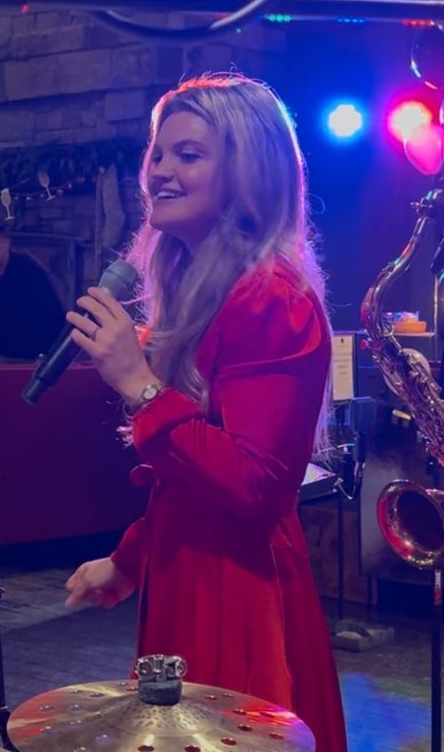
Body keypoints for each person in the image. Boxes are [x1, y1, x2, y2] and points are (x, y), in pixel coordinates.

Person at [62, 75, 346, 751]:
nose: (159, 171)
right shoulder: (203, 288)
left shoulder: (272, 298)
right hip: (191, 570)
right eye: (158, 154)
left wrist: (141, 387)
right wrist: (131, 559)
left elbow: (253, 484)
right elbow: (192, 480)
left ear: (248, 171)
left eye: (188, 155)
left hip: (239, 591)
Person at [0, 222, 63, 363]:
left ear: (7, 244)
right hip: (1, 354)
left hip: (35, 356)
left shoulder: (30, 271)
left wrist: (46, 353)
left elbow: (53, 313)